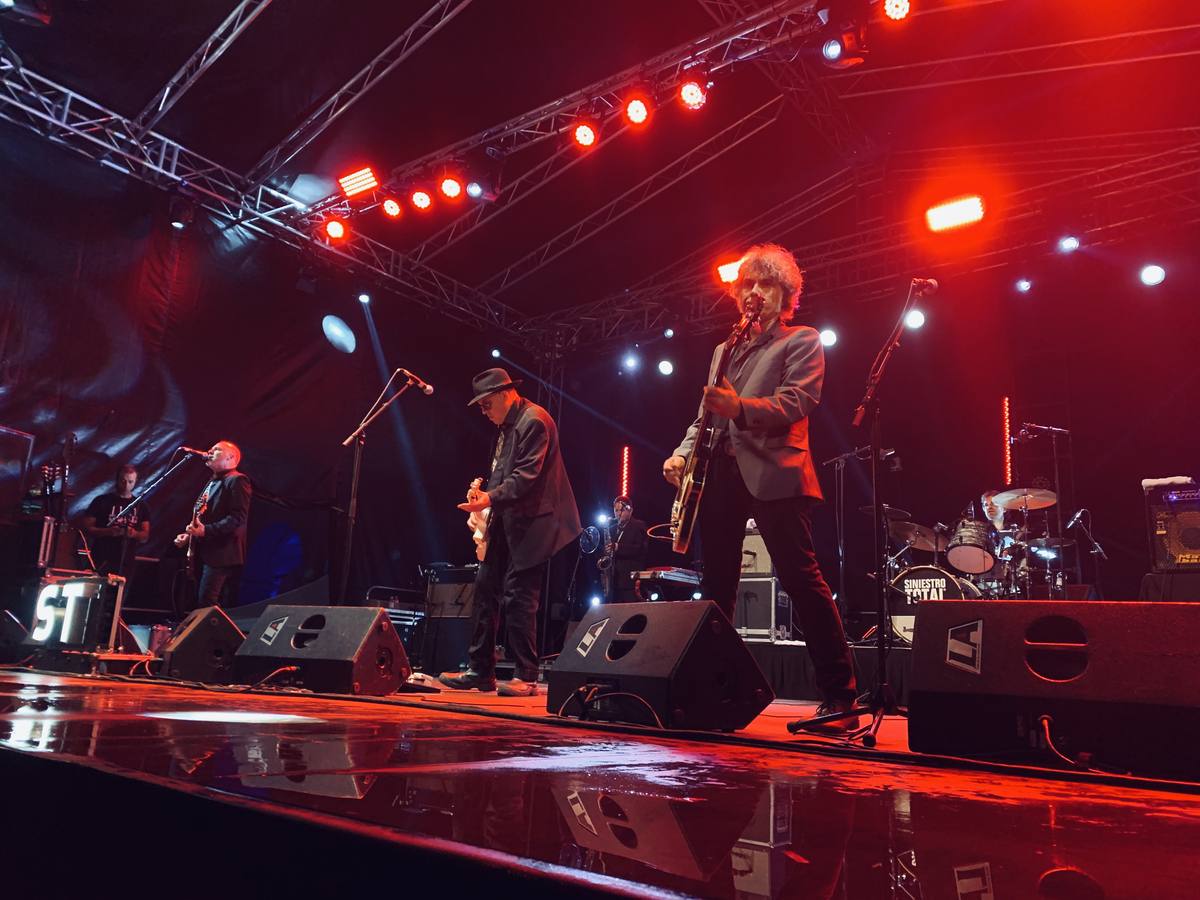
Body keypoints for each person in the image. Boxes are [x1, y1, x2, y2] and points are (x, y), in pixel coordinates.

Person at [661, 243, 858, 731]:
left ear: (785, 294)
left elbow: (798, 400)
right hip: (720, 474)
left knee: (801, 581)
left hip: (777, 472)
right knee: (717, 587)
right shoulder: (722, 351)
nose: (754, 292)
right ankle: (714, 690)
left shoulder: (802, 340)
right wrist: (683, 453)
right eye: (747, 284)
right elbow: (705, 414)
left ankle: (841, 695)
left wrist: (741, 410)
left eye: (765, 284)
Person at [443, 368, 581, 697]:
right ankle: (480, 670)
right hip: (509, 519)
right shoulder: (507, 425)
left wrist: (490, 497)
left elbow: (525, 477)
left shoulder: (535, 420)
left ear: (506, 394)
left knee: (519, 596)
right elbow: (503, 474)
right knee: (485, 588)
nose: (483, 412)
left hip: (537, 521)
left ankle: (527, 675)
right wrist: (484, 495)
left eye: (486, 404)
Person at [174, 441, 251, 608]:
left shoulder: (237, 480)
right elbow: (203, 515)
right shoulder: (213, 481)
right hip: (206, 551)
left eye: (216, 450)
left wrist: (206, 531)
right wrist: (189, 535)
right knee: (197, 602)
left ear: (230, 457)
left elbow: (237, 518)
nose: (209, 451)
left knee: (207, 602)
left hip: (221, 553)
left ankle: (217, 634)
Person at [81, 464, 151, 575]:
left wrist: (133, 533)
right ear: (117, 479)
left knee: (120, 591)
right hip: (101, 557)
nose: (126, 485)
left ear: (135, 481)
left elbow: (145, 536)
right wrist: (108, 532)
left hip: (126, 562)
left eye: (130, 482)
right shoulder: (101, 501)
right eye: (123, 481)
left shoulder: (141, 506)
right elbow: (86, 528)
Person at [607, 495, 648, 603]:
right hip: (614, 581)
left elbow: (640, 549)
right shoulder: (611, 529)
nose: (618, 514)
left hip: (630, 581)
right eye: (616, 510)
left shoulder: (639, 525)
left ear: (630, 510)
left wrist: (617, 547)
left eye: (622, 510)